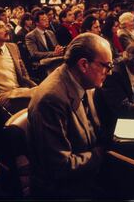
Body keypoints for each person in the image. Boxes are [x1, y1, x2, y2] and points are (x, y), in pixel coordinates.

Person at [28, 33, 112, 199]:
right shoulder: (51, 99)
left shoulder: (81, 80)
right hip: (64, 189)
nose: (109, 72)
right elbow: (60, 167)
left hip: (86, 172)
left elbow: (94, 131)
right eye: (106, 66)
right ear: (83, 64)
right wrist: (103, 153)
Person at [0, 18, 38, 113]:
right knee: (35, 101)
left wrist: (32, 86)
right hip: (2, 96)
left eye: (6, 26)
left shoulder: (13, 47)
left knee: (46, 94)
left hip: (20, 90)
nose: (7, 29)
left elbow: (23, 72)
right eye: (1, 27)